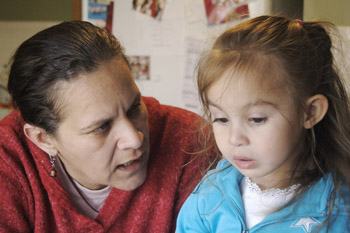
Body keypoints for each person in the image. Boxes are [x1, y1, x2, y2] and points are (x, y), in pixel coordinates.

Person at [0, 20, 214, 232]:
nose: (135, 138)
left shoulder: (191, 140)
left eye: (134, 107)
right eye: (102, 127)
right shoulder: (7, 160)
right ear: (44, 139)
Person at [176, 15, 350, 232]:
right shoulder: (209, 197)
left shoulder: (339, 210)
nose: (234, 139)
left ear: (310, 112)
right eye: (221, 119)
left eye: (256, 119)